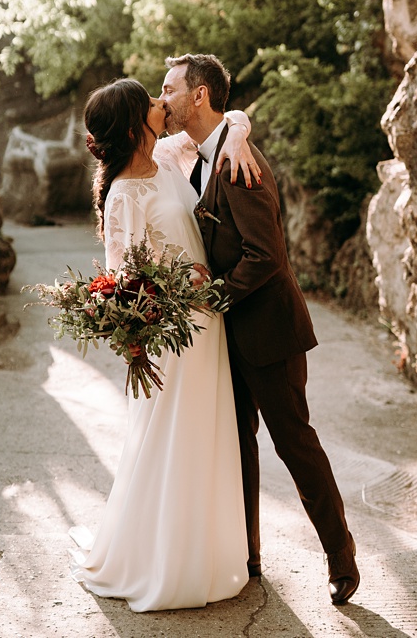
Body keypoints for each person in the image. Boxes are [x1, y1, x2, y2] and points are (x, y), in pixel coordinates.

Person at [160, 53, 358, 606]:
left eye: (170, 88)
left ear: (199, 95)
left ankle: (341, 557)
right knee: (238, 447)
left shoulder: (235, 159)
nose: (163, 97)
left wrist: (211, 297)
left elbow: (265, 254)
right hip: (227, 339)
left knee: (294, 443)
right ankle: (247, 558)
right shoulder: (199, 152)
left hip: (268, 332)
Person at [69, 77, 255, 611]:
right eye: (151, 102)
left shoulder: (172, 155)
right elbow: (124, 283)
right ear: (134, 125)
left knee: (207, 436)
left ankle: (210, 555)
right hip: (173, 336)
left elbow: (231, 118)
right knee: (168, 443)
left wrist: (239, 136)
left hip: (208, 325)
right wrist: (182, 281)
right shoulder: (124, 193)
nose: (161, 103)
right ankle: (163, 563)